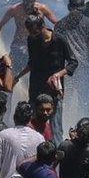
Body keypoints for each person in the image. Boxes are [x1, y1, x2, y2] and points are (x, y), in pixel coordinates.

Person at [15, 14, 78, 145]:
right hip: (36, 88)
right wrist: (18, 76)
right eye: (30, 32)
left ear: (42, 26)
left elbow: (73, 62)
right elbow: (32, 63)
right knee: (31, 124)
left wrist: (58, 74)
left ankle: (56, 156)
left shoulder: (59, 40)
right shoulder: (32, 40)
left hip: (54, 90)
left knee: (55, 128)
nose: (32, 34)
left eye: (34, 31)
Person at [0, 0, 57, 84]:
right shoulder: (14, 9)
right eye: (26, 1)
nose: (29, 4)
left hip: (38, 45)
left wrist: (50, 37)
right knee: (12, 73)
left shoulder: (42, 8)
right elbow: (0, 24)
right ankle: (8, 95)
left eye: (31, 1)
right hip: (19, 44)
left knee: (36, 72)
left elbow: (57, 23)